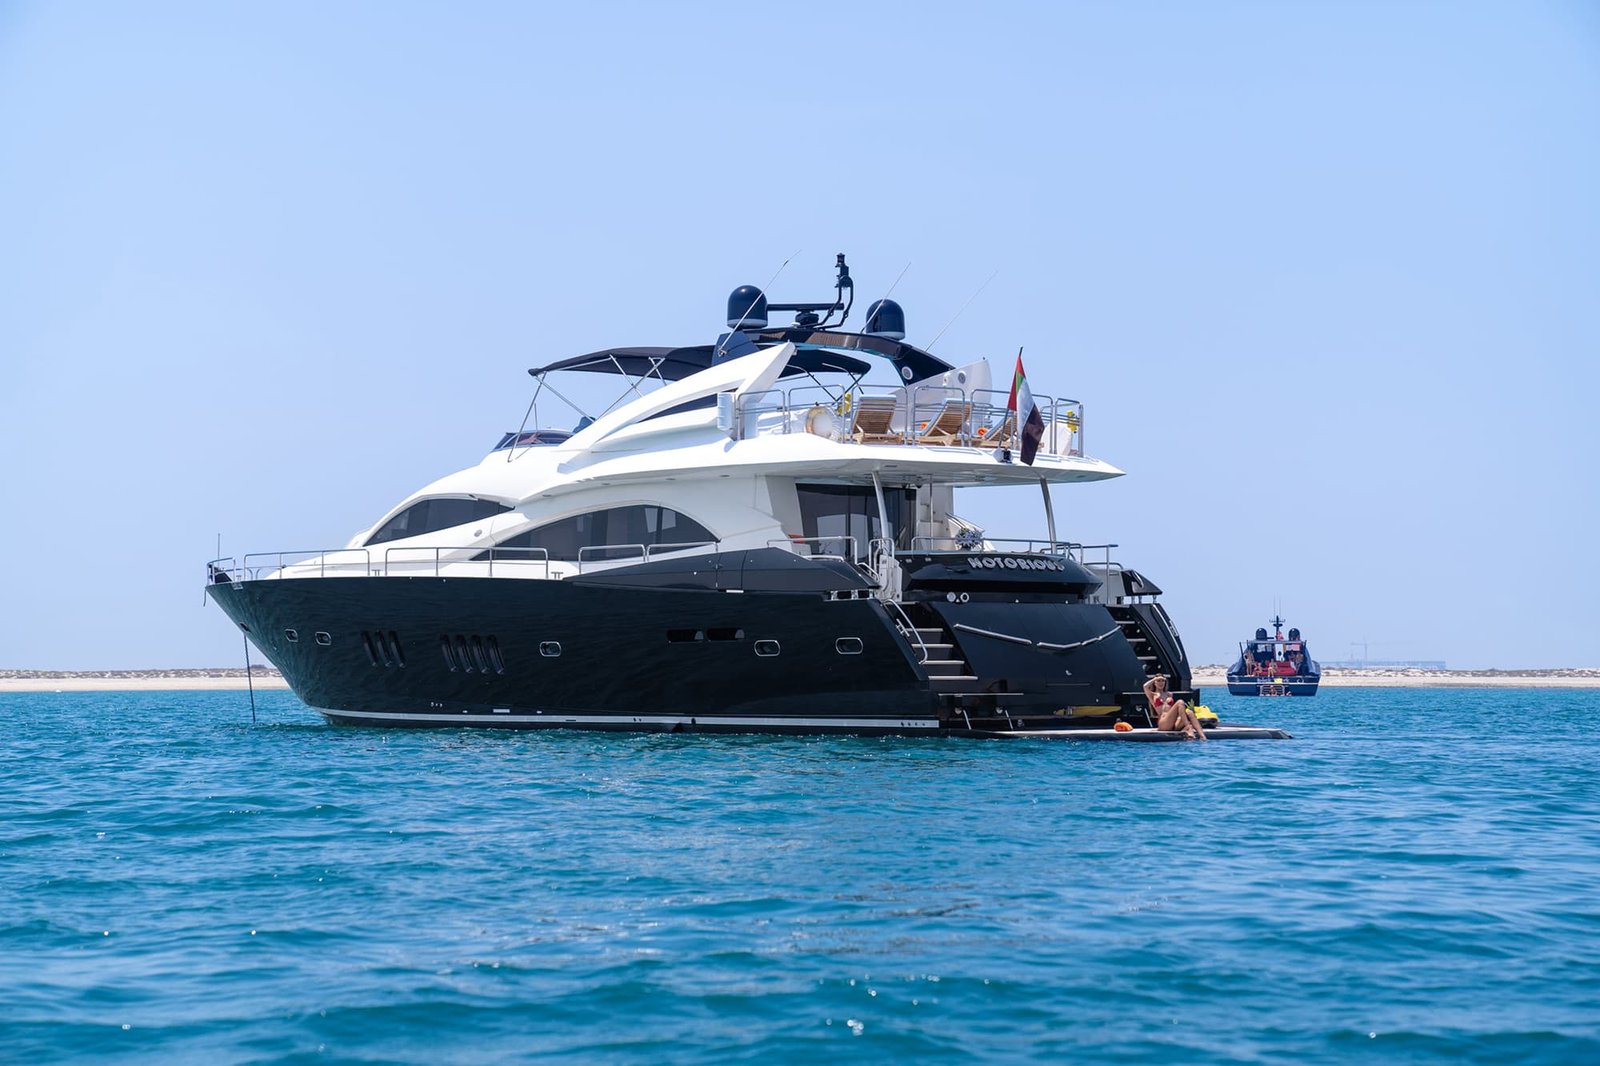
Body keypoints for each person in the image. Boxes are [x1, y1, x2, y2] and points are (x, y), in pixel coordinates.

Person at [1143, 673, 1207, 740]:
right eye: (1158, 681)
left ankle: (1203, 737)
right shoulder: (1153, 695)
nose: (1161, 683)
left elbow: (1175, 711)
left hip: (1174, 722)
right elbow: (1145, 686)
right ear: (1154, 683)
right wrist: (1155, 678)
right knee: (1180, 702)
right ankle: (1188, 728)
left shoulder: (1169, 694)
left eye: (1163, 681)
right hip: (1164, 723)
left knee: (1190, 712)